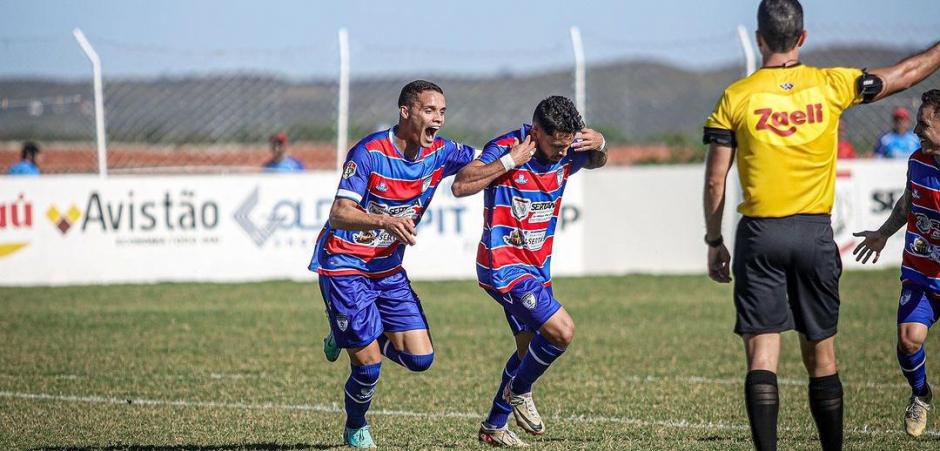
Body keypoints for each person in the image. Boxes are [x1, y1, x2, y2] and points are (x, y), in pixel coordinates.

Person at [702, 1, 940, 449]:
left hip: (760, 234)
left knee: (763, 354)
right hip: (813, 234)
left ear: (758, 39)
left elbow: (716, 177)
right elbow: (907, 73)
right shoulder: (832, 84)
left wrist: (714, 240)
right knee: (822, 356)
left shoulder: (737, 96)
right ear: (803, 37)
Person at [309, 80, 477, 448]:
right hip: (345, 264)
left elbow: (485, 158)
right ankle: (356, 425)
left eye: (443, 112)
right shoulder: (368, 152)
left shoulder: (443, 152)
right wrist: (384, 221)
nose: (439, 119)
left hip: (386, 270)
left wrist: (525, 151)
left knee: (420, 359)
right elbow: (339, 214)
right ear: (406, 112)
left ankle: (347, 334)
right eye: (430, 111)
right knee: (368, 366)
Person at [451, 96, 607, 447]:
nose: (560, 153)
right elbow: (461, 185)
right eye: (554, 145)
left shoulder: (566, 148)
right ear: (535, 132)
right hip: (502, 266)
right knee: (562, 332)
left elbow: (596, 159)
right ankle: (519, 390)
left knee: (528, 353)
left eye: (566, 145)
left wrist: (601, 144)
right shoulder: (506, 147)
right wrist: (510, 161)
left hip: (537, 268)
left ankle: (494, 426)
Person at [852, 90, 940, 438]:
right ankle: (921, 394)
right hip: (921, 272)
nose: (918, 130)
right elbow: (908, 203)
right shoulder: (917, 160)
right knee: (908, 340)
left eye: (925, 124)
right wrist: (883, 233)